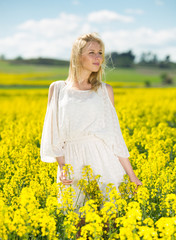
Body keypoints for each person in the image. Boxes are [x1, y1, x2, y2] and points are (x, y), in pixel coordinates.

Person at [40, 32, 142, 206]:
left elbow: (114, 135)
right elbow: (53, 133)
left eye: (100, 53)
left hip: (103, 160)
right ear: (78, 56)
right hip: (72, 161)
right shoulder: (57, 89)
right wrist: (63, 167)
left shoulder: (105, 90)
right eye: (92, 52)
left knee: (106, 223)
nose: (98, 57)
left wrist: (132, 176)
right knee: (77, 223)